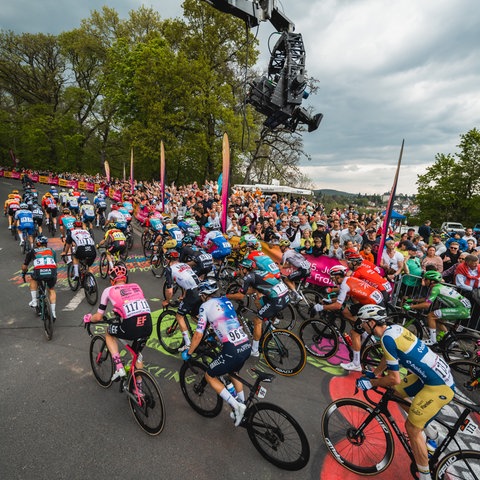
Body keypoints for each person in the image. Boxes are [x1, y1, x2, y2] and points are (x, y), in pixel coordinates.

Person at [355, 304, 455, 480]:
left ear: (371, 322)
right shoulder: (394, 329)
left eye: (363, 322)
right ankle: (433, 435)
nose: (361, 325)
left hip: (439, 385)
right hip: (432, 374)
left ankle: (425, 477)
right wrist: (376, 373)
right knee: (396, 393)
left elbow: (394, 378)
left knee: (412, 428)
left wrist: (371, 383)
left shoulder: (386, 339)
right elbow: (389, 356)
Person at [181, 280, 251, 426]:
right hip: (245, 344)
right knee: (234, 373)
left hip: (231, 349)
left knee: (210, 375)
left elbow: (198, 335)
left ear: (205, 295)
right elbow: (228, 321)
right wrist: (214, 334)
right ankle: (242, 404)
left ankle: (237, 406)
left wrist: (189, 351)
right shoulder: (226, 300)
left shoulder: (204, 306)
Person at [83, 264, 152, 385]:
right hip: (147, 324)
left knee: (109, 333)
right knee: (136, 355)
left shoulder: (108, 290)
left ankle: (119, 367)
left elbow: (99, 316)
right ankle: (139, 390)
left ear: (111, 280)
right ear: (125, 278)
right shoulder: (136, 286)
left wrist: (89, 318)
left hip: (131, 326)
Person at [313, 265, 384, 372]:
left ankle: (356, 364)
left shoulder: (344, 285)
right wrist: (329, 301)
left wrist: (321, 307)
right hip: (371, 301)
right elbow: (344, 297)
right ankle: (365, 332)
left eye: (332, 277)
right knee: (347, 311)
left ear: (337, 276)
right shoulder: (348, 280)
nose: (332, 279)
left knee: (354, 333)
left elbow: (337, 305)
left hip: (372, 306)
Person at [227, 258, 290, 357]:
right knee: (258, 300)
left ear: (245, 269)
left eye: (240, 268)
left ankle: (254, 350)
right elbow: (253, 290)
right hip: (285, 295)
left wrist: (226, 297)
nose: (239, 271)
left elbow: (241, 296)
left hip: (277, 299)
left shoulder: (248, 277)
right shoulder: (260, 272)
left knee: (257, 320)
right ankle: (269, 322)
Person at [403, 270, 471, 345]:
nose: (424, 281)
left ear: (432, 281)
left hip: (462, 309)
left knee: (431, 316)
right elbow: (427, 299)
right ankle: (451, 341)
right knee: (438, 320)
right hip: (463, 308)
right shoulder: (438, 287)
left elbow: (426, 304)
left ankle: (432, 340)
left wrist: (411, 307)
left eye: (426, 279)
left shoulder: (436, 289)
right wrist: (412, 300)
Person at [162, 248, 201, 351]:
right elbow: (185, 280)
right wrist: (184, 295)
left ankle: (188, 344)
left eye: (166, 259)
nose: (165, 261)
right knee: (194, 315)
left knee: (179, 316)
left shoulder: (169, 269)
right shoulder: (185, 265)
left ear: (169, 259)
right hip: (201, 290)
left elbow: (170, 290)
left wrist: (167, 301)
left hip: (192, 293)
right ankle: (207, 331)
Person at [21, 236, 57, 320]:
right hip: (51, 270)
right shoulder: (52, 250)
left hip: (39, 272)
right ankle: (54, 313)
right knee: (51, 289)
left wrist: (24, 272)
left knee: (33, 279)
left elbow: (24, 266)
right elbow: (55, 263)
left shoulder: (32, 251)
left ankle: (34, 301)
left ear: (37, 243)